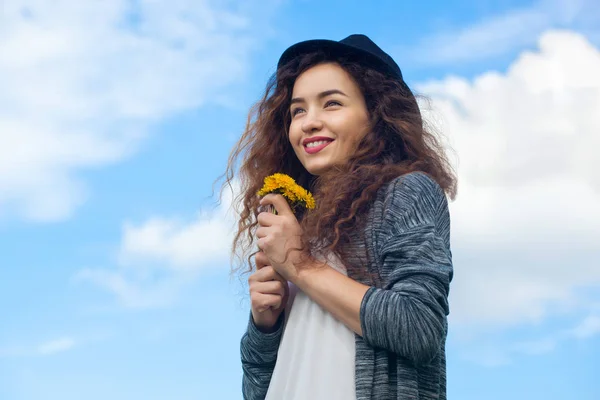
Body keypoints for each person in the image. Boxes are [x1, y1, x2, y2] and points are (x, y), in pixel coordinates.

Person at [221, 34, 456, 400]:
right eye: (298, 110)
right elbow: (257, 390)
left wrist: (299, 265)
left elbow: (419, 327)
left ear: (377, 115)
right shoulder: (300, 222)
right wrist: (265, 327)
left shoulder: (406, 191)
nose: (309, 122)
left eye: (331, 104)